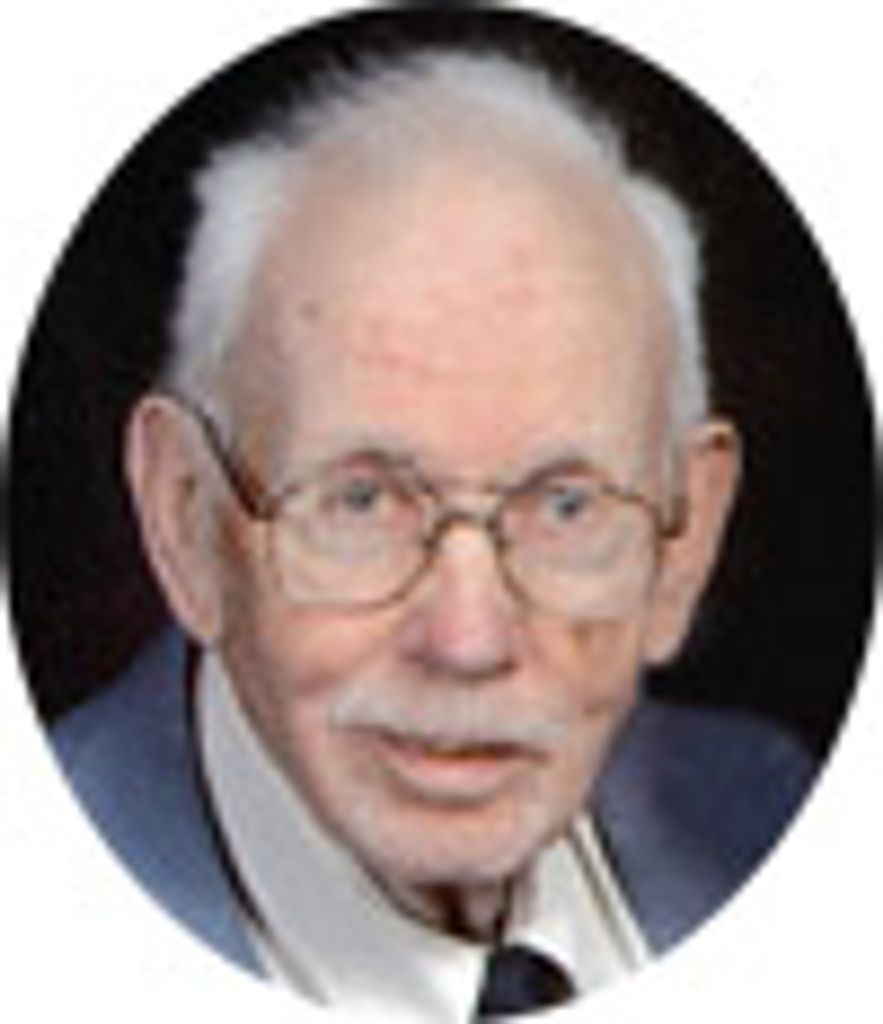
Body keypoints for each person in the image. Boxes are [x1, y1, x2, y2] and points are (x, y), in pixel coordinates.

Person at [52, 39, 813, 1023]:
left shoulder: (774, 816)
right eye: (362, 501)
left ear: (685, 542)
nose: (467, 641)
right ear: (185, 517)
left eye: (565, 506)